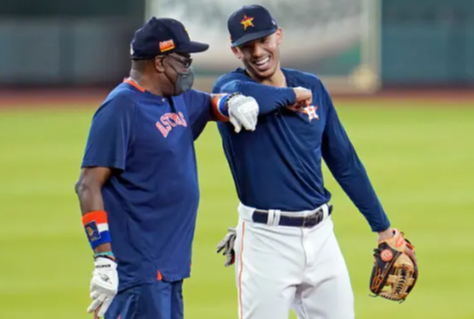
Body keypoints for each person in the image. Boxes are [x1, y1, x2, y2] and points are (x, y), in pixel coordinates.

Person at [214, 5, 416, 319]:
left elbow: (344, 162)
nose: (257, 52)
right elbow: (241, 96)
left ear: (278, 36)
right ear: (235, 51)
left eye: (263, 40)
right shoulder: (231, 90)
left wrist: (383, 228)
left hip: (321, 237)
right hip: (266, 241)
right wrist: (291, 95)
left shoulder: (314, 87)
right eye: (246, 46)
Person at [74, 16, 267, 319]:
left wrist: (231, 102)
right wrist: (103, 259)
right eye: (184, 60)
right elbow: (88, 184)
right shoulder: (122, 107)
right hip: (139, 271)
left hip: (169, 268)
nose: (189, 69)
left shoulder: (175, 100)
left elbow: (208, 104)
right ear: (161, 63)